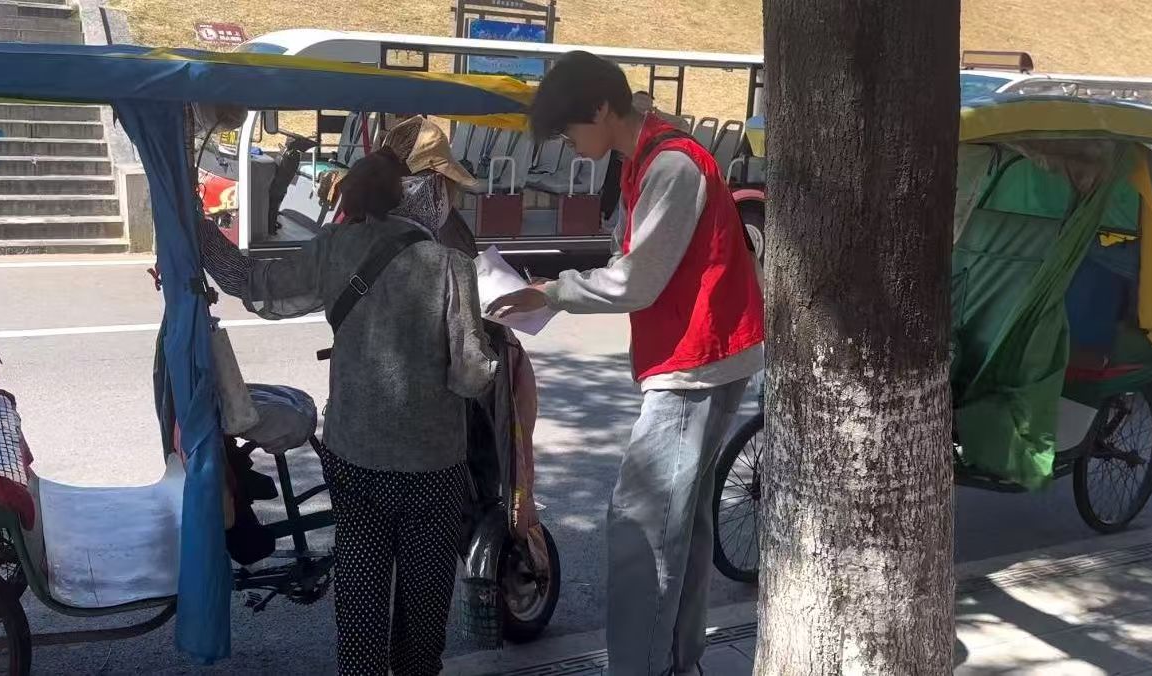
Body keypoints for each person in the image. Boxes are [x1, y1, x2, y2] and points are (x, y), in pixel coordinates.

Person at [489, 51, 765, 676]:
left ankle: (643, 666)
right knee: (681, 525)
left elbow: (634, 282)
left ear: (601, 110)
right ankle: (676, 660)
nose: (569, 146)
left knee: (641, 527)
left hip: (697, 361)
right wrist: (553, 289)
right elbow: (632, 263)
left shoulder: (669, 164)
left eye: (569, 132)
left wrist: (550, 293)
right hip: (706, 355)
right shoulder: (646, 155)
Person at [200, 116, 498, 675]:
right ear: (424, 189)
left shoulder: (336, 245)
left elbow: (252, 283)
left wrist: (196, 231)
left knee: (360, 597)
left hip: (355, 456)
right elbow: (469, 377)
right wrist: (492, 359)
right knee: (424, 609)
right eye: (446, 186)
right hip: (433, 468)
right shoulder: (451, 265)